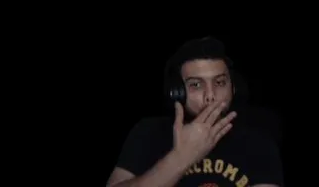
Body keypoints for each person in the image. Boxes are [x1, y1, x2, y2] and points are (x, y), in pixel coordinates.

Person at [107, 37, 283, 187]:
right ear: (177, 92)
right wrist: (181, 158)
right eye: (196, 85)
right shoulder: (148, 132)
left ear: (234, 88)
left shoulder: (258, 142)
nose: (210, 96)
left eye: (220, 82)